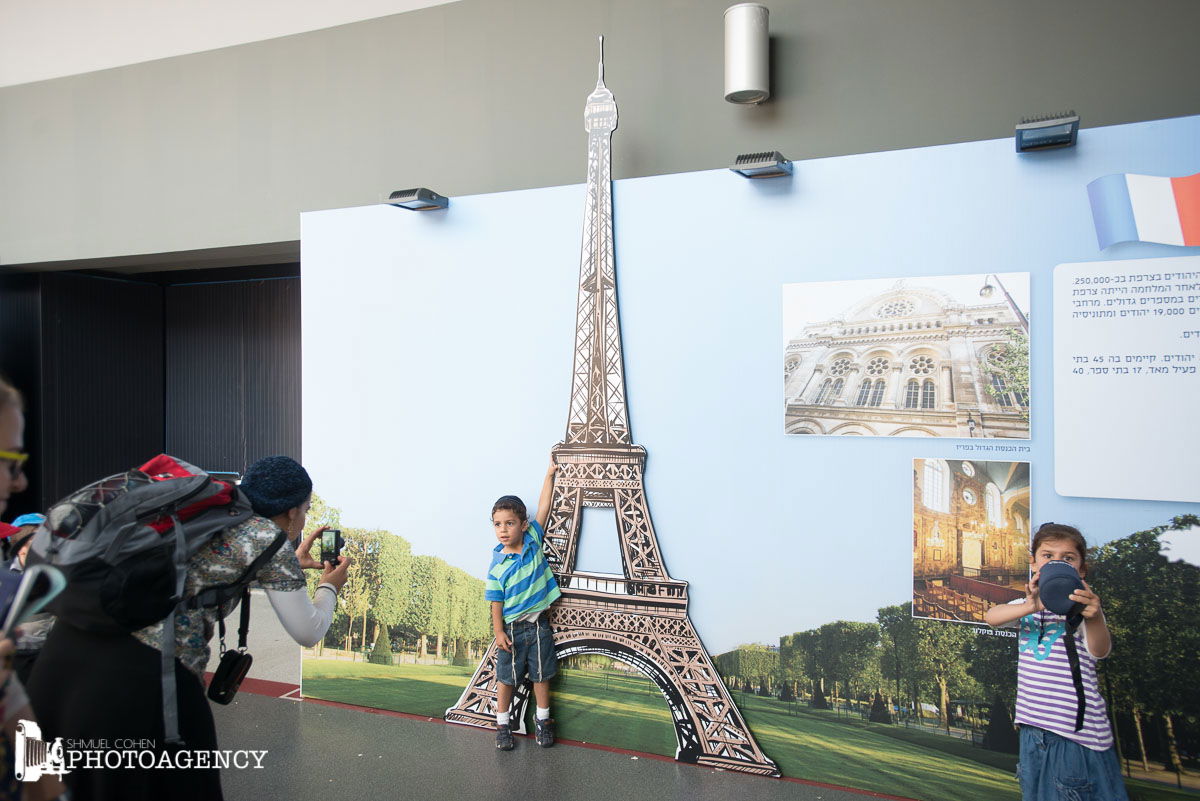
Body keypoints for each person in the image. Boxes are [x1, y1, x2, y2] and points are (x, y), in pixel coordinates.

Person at [27, 454, 352, 801]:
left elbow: (200, 571)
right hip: (142, 683)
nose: (304, 518)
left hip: (60, 661)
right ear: (292, 511)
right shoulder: (264, 536)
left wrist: (284, 561)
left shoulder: (203, 510)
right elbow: (308, 630)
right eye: (305, 508)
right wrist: (329, 586)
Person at [983, 522, 1128, 801]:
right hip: (1032, 731)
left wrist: (1094, 616)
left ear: (1081, 570)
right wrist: (1033, 604)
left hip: (1073, 736)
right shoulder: (1025, 607)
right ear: (1034, 563)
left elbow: (1100, 651)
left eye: (1068, 558)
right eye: (1048, 556)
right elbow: (991, 617)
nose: (1057, 562)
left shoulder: (1084, 610)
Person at [486, 461, 560, 751]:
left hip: (539, 625)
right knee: (506, 679)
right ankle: (502, 724)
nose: (503, 529)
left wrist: (549, 474)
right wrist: (498, 631)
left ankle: (543, 720)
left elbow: (545, 506)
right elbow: (495, 601)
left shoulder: (532, 541)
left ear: (523, 525)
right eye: (497, 524)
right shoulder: (497, 566)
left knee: (542, 675)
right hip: (513, 631)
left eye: (509, 523)